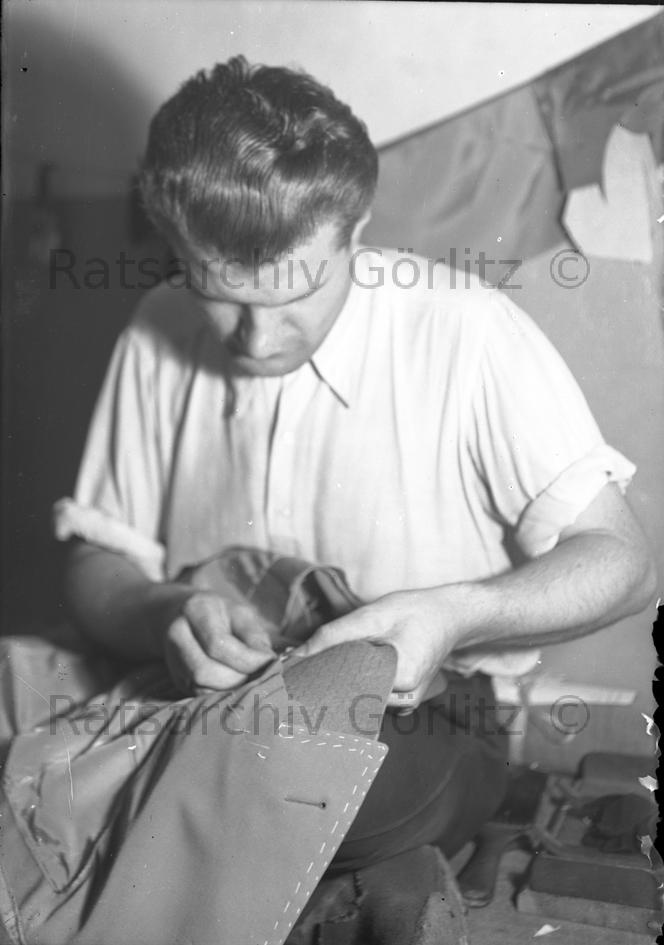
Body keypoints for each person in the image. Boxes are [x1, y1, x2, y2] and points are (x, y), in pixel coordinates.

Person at [54, 55, 654, 934]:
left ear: (356, 228)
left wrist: (453, 614)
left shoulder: (466, 330)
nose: (260, 339)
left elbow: (625, 563)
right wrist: (166, 611)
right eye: (219, 293)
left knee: (245, 792)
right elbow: (95, 563)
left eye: (297, 291)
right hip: (202, 702)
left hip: (432, 709)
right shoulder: (155, 329)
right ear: (175, 248)